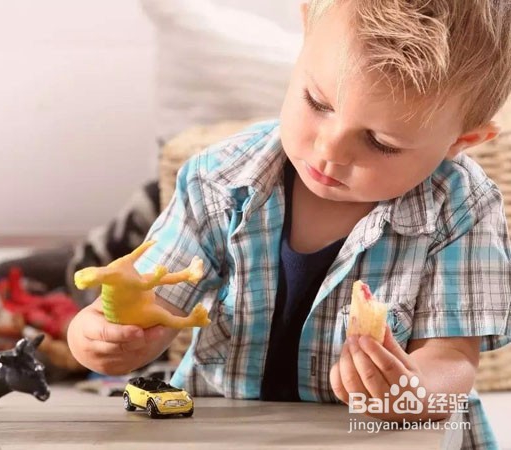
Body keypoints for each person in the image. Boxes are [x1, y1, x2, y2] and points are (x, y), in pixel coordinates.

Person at [67, 1, 511, 448]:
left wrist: (412, 392)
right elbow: (154, 304)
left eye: (381, 142)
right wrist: (105, 336)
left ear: (461, 141)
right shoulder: (219, 179)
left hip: (371, 438)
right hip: (226, 434)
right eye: (318, 103)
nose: (330, 150)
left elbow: (452, 358)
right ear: (305, 34)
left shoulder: (461, 209)